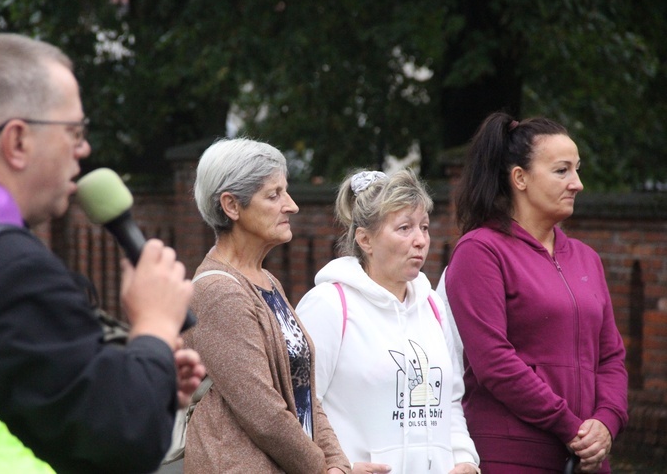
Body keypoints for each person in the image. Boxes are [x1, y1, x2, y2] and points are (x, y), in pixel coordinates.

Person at [0, 33, 205, 473]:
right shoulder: (15, 269)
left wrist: (148, 371)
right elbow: (126, 436)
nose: (83, 148)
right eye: (74, 131)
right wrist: (155, 325)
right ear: (17, 141)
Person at [442, 112, 628, 473]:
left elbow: (611, 358)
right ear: (520, 178)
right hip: (514, 456)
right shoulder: (480, 251)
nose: (577, 183)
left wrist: (607, 422)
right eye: (562, 171)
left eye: (577, 170)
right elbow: (494, 362)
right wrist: (570, 426)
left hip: (587, 459)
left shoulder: (587, 259)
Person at [296, 168, 480, 474]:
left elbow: (450, 401)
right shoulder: (328, 305)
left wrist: (464, 460)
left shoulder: (433, 305)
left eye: (424, 227)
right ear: (365, 239)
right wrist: (335, 468)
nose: (421, 240)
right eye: (405, 228)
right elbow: (299, 403)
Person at [184, 138, 351, 473]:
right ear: (231, 206)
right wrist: (321, 468)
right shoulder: (219, 292)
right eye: (274, 195)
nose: (291, 205)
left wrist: (336, 463)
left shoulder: (267, 281)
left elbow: (303, 388)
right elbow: (264, 414)